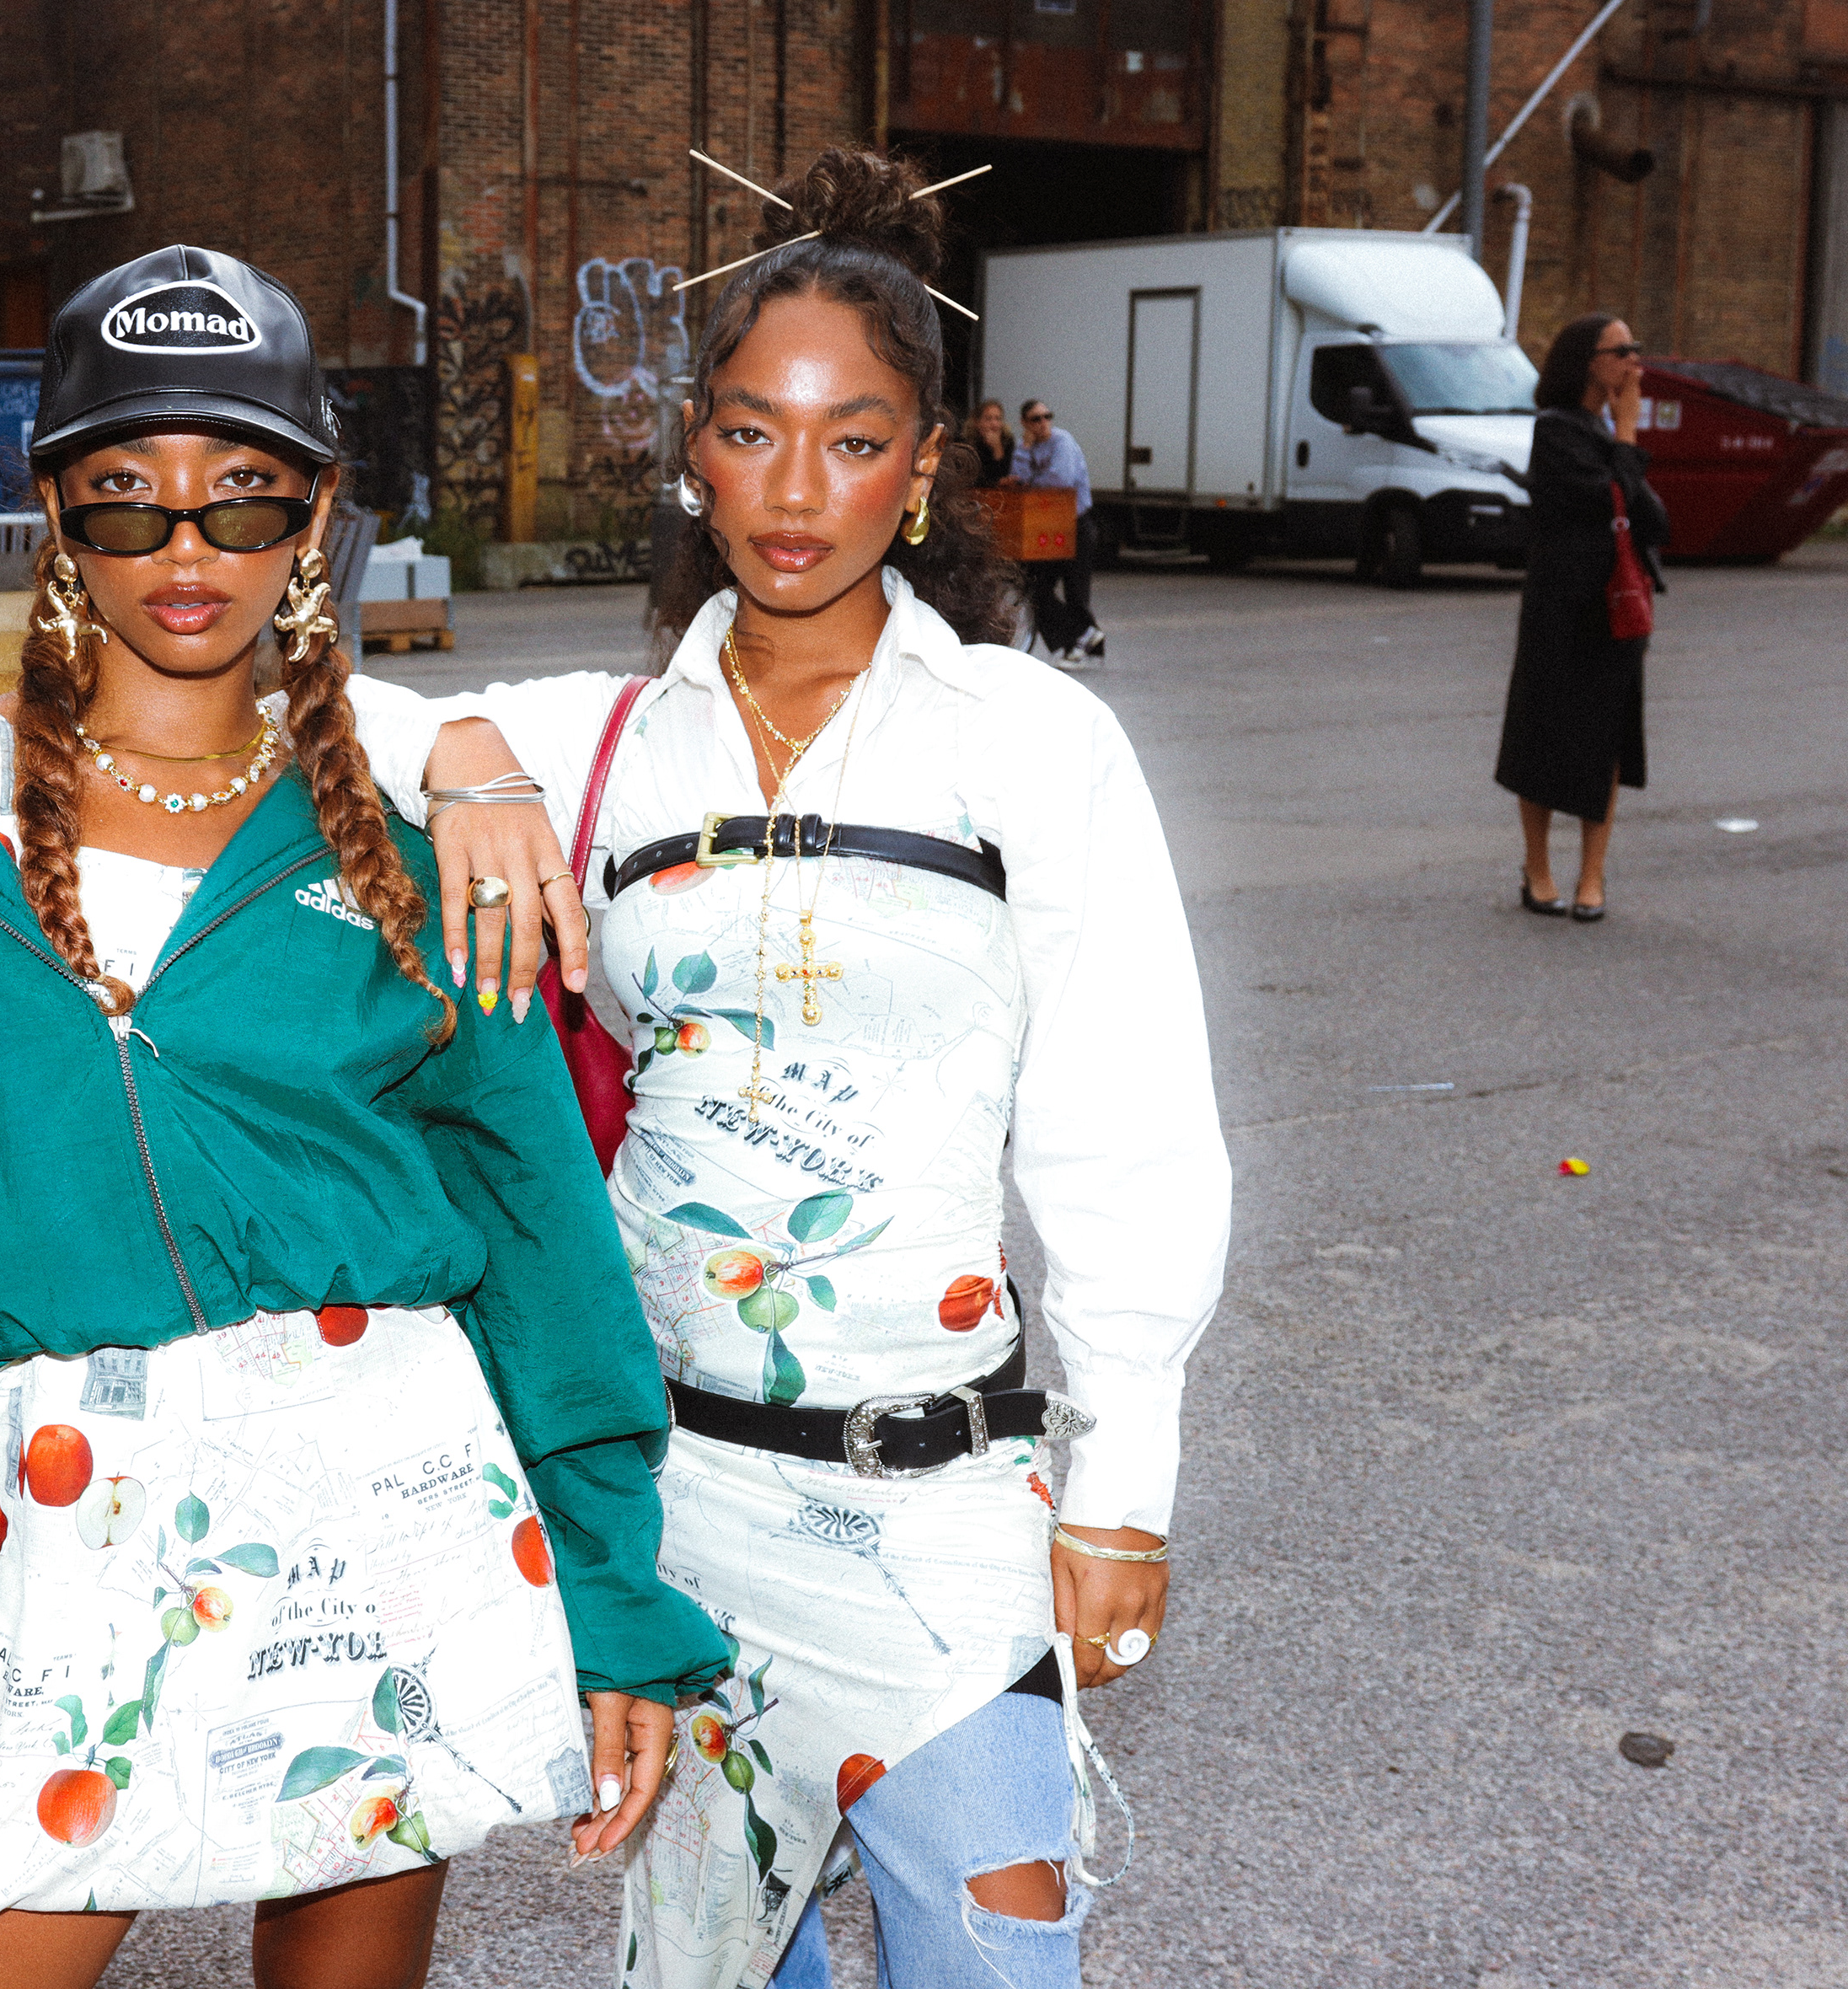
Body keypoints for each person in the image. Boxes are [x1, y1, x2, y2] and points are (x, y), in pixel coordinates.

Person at [0, 244, 722, 1989]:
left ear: (313, 511)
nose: (188, 550)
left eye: (242, 495)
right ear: (55, 507)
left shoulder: (423, 850)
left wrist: (616, 1592)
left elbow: (543, 1247)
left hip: (392, 1523)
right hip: (52, 1532)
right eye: (127, 497)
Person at [355, 151, 1230, 1989]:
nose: (798, 489)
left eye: (855, 440)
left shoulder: (1028, 742)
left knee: (1000, 1961)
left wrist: (1125, 1476)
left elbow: (1124, 1121)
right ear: (695, 448)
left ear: (927, 467)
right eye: (755, 432)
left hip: (940, 1506)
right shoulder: (606, 744)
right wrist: (467, 760)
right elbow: (298, 719)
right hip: (673, 1514)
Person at [1498, 312, 1666, 922]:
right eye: (1623, 350)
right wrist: (1628, 433)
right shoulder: (1557, 431)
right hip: (1560, 607)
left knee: (1606, 738)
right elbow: (1607, 497)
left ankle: (1592, 876)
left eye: (1636, 348)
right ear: (1589, 363)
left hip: (1614, 609)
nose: (1635, 362)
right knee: (1541, 734)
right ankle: (1537, 868)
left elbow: (1654, 518)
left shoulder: (1604, 434)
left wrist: (1623, 441)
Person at [1010, 398, 1102, 667]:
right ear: (1025, 423)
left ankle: (1079, 643)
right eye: (1036, 419)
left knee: (1075, 591)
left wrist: (1029, 483)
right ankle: (1083, 636)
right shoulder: (1027, 447)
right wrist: (1024, 450)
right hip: (1048, 526)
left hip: (1075, 524)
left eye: (1047, 416)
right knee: (1036, 588)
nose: (1044, 423)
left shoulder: (1063, 442)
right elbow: (1017, 479)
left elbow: (1060, 480)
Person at [961, 397, 1020, 489]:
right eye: (988, 419)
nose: (994, 424)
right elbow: (971, 478)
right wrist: (995, 482)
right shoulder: (967, 443)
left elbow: (1006, 472)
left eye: (998, 419)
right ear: (977, 422)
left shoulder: (1007, 440)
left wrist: (997, 449)